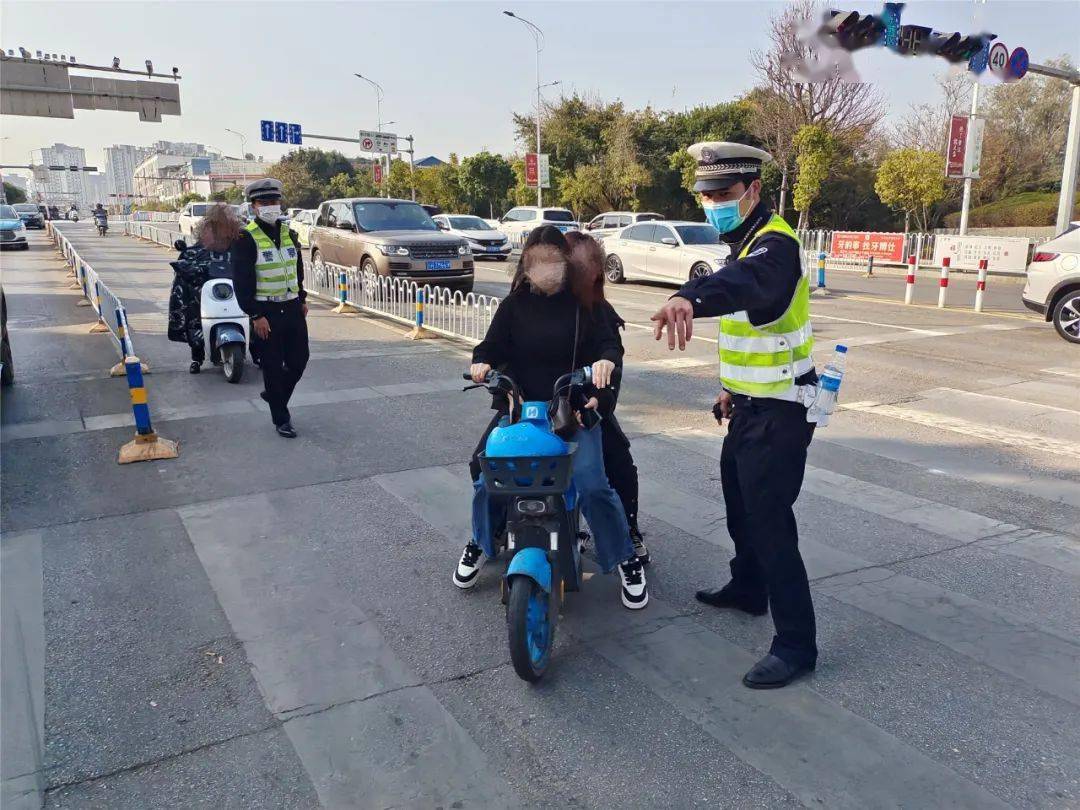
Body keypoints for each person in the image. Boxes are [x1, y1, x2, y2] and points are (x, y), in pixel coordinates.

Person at [651, 141, 819, 689]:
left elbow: (747, 289)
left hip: (783, 412)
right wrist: (728, 389)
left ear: (753, 192)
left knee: (772, 524)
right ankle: (749, 589)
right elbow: (753, 330)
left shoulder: (775, 247)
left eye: (724, 194)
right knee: (739, 508)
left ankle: (796, 644)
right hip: (748, 407)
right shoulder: (742, 244)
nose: (714, 203)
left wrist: (690, 299)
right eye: (707, 196)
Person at [456, 225, 648, 610]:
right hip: (521, 410)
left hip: (569, 413)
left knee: (593, 483)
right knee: (487, 472)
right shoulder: (513, 306)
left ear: (566, 264)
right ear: (525, 264)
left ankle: (625, 556)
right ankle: (481, 540)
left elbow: (607, 344)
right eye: (537, 262)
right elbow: (490, 345)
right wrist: (482, 363)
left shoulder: (583, 307)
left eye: (553, 262)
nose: (546, 270)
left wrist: (605, 365)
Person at [564, 230, 649, 565]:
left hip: (587, 403)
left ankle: (628, 531)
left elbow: (612, 352)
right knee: (485, 458)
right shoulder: (532, 303)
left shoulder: (598, 308)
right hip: (536, 403)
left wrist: (602, 396)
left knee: (619, 463)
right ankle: (494, 532)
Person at [231, 178, 309, 438]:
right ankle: (281, 418)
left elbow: (296, 269)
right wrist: (255, 314)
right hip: (266, 313)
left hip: (293, 307)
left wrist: (303, 297)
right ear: (253, 206)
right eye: (264, 202)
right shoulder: (245, 238)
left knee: (299, 361)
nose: (270, 206)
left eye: (274, 201)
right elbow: (241, 281)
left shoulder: (289, 233)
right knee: (273, 367)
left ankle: (273, 395)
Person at [168, 204, 242, 373]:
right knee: (195, 322)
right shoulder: (195, 252)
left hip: (235, 297)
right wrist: (187, 269)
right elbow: (184, 266)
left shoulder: (239, 249)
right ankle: (197, 358)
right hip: (202, 299)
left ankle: (256, 353)